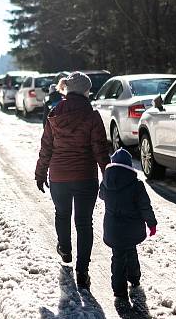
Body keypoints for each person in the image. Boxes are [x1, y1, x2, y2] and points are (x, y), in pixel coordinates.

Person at [35, 72, 111, 290]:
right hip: (85, 176)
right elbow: (100, 150)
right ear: (85, 91)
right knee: (84, 223)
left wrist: (40, 174)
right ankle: (82, 272)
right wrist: (109, 175)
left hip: (58, 176)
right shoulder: (92, 115)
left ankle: (65, 249)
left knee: (62, 214)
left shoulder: (54, 113)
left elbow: (46, 147)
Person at [99, 148, 157, 300]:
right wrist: (151, 223)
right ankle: (135, 278)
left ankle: (119, 290)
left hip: (113, 229)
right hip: (132, 229)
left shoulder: (106, 181)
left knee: (117, 257)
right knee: (131, 251)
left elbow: (101, 195)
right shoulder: (136, 185)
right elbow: (145, 206)